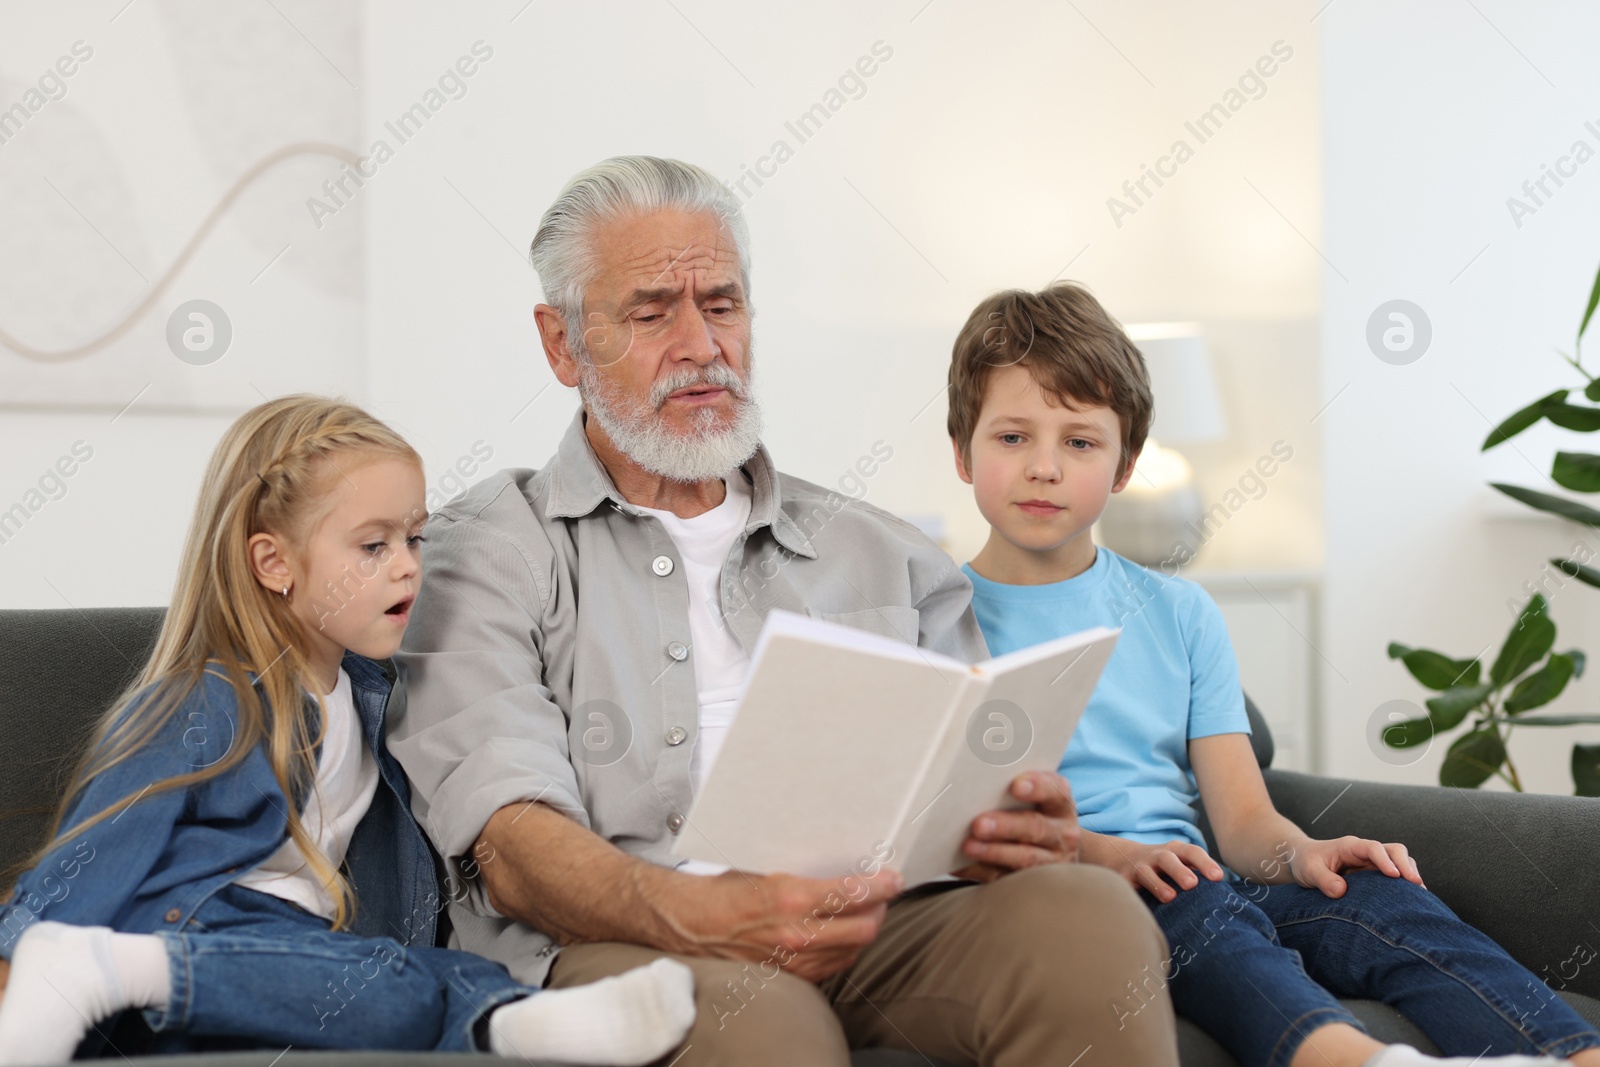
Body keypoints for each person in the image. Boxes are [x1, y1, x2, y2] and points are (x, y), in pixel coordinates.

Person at [388, 156, 1181, 1066]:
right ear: (562, 343)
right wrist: (705, 915)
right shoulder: (484, 550)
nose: (700, 345)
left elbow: (953, 795)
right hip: (624, 943)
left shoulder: (888, 553)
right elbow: (512, 842)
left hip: (872, 921)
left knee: (1084, 917)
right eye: (652, 313)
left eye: (721, 305)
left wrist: (1002, 829)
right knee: (764, 1022)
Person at [944, 280, 1600, 1067]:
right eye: (1013, 437)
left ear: (1124, 467)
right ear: (961, 450)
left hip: (1204, 874)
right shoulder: (937, 614)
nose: (1044, 467)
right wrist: (1107, 855)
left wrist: (1303, 855)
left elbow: (1246, 821)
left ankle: (1567, 1053)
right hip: (1085, 897)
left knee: (1377, 896)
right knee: (1199, 907)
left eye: (1080, 442)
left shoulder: (1178, 612)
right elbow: (956, 823)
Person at [0, 396, 695, 1065]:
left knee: (393, 978)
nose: (407, 564)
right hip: (199, 934)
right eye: (373, 545)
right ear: (274, 563)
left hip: (292, 967)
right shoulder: (212, 701)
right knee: (383, 982)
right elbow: (101, 843)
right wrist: (20, 948)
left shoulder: (375, 698)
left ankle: (497, 1015)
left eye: (414, 537)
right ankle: (504, 1020)